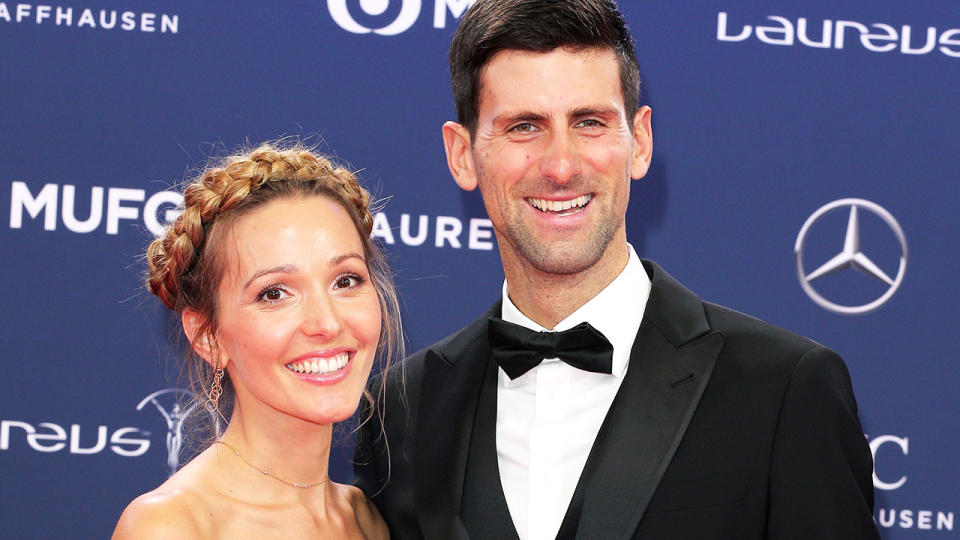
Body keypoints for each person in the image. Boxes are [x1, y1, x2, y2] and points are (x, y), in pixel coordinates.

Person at [353, 1, 880, 538]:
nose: (561, 166)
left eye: (589, 122)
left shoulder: (785, 390)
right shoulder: (402, 413)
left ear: (641, 141)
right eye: (524, 127)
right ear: (462, 155)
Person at [113, 142, 399, 539]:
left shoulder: (366, 520)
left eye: (345, 280)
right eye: (274, 293)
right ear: (208, 336)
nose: (327, 322)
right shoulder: (172, 527)